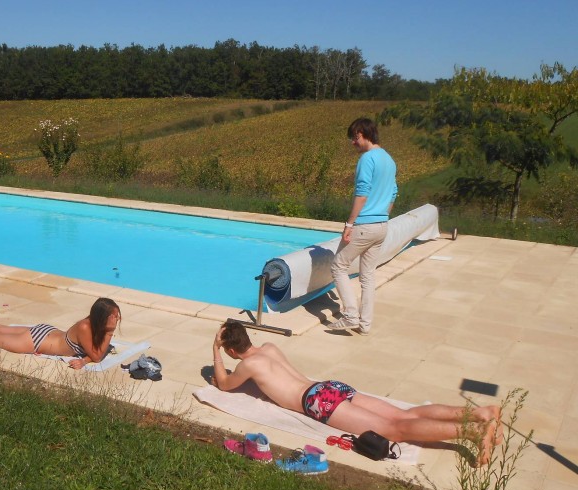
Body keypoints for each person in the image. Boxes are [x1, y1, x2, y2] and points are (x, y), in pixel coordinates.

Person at [211, 322, 502, 466]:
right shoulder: (269, 347)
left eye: (227, 351)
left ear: (233, 351)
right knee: (404, 415)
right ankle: (482, 413)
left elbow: (223, 384)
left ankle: (474, 432)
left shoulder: (248, 364)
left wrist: (216, 351)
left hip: (316, 401)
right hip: (329, 386)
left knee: (394, 430)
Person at [328, 118, 398, 335]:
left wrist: (350, 223)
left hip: (364, 225)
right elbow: (394, 193)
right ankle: (365, 324)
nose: (353, 142)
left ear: (362, 133)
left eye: (354, 137)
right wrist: (382, 215)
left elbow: (362, 193)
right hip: (381, 225)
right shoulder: (389, 159)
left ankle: (350, 315)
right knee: (367, 275)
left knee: (338, 266)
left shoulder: (367, 159)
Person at [0, 298, 121, 370]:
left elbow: (91, 354)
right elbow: (97, 355)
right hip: (37, 341)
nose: (117, 317)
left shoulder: (91, 324)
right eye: (113, 316)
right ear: (101, 317)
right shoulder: (86, 328)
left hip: (47, 332)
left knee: (0, 328)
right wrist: (109, 333)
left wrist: (84, 360)